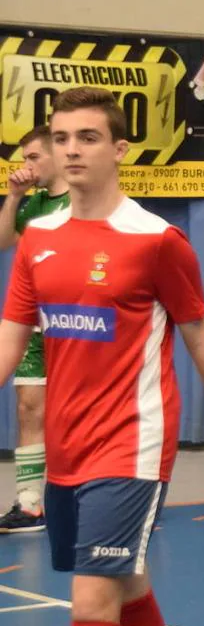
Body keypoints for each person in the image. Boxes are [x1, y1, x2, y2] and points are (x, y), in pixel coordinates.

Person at [0, 86, 204, 626]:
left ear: (119, 149)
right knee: (128, 585)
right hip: (67, 445)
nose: (71, 150)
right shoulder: (38, 239)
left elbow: (198, 338)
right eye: (61, 138)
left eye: (87, 138)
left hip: (133, 444)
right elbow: (10, 344)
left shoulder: (156, 239)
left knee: (92, 603)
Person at [0, 125, 70, 533]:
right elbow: (3, 239)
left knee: (82, 413)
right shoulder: (34, 205)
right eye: (23, 159)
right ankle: (29, 506)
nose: (26, 167)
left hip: (77, 324)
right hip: (35, 325)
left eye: (33, 158)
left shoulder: (84, 203)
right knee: (29, 407)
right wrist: (13, 197)